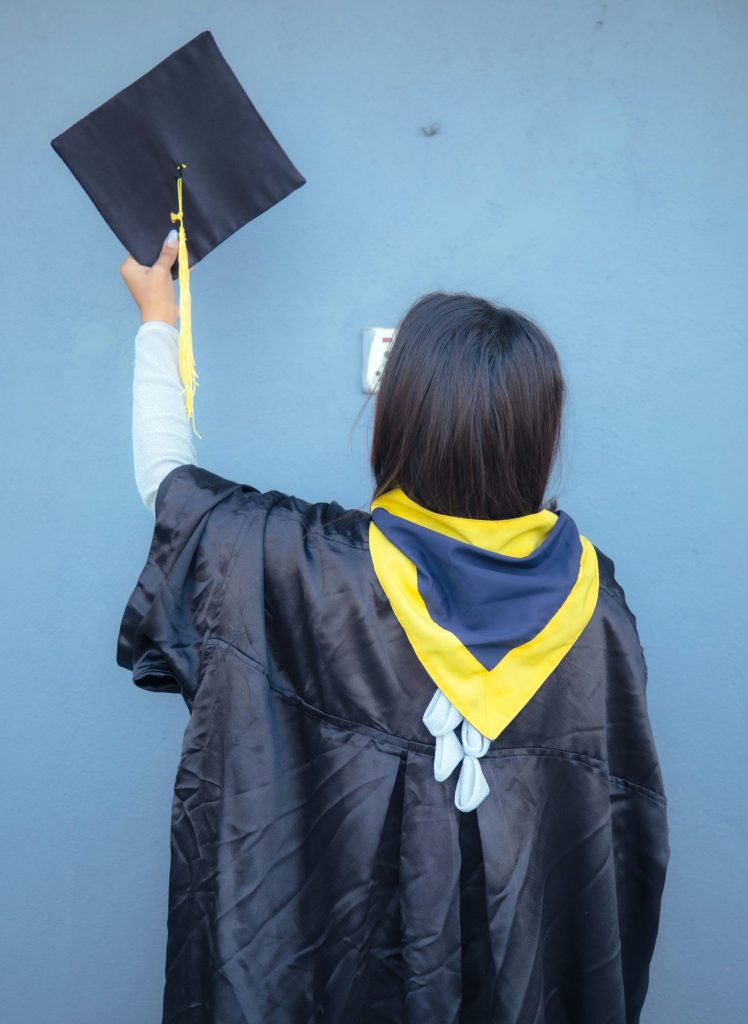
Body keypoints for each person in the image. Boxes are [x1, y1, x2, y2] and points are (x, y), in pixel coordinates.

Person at [117, 232, 670, 1024]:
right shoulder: (596, 609)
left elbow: (166, 484)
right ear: (537, 434)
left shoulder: (304, 566)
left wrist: (157, 318)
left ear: (399, 418)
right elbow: (618, 845)